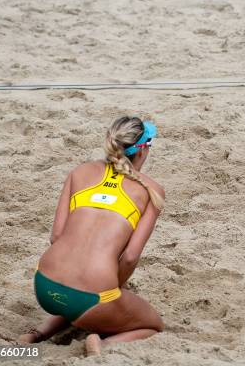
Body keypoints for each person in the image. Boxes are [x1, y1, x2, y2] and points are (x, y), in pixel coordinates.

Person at [19, 116, 165, 356]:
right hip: (92, 298)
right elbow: (129, 257)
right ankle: (102, 345)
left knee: (77, 296)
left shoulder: (80, 172)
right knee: (153, 324)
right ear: (143, 150)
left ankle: (35, 335)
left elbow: (56, 236)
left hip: (44, 284)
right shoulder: (151, 191)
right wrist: (115, 286)